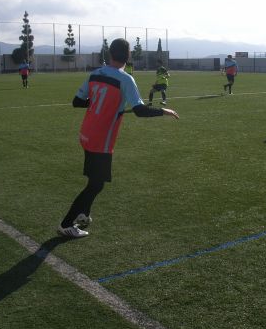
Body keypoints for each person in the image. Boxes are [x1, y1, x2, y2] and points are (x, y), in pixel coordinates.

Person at [58, 39, 179, 238]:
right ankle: (66, 224)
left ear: (110, 54)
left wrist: (98, 103)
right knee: (96, 185)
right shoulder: (126, 79)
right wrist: (163, 111)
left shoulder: (95, 73)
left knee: (94, 180)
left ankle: (83, 213)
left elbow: (77, 102)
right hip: (101, 139)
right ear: (128, 56)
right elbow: (139, 111)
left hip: (86, 133)